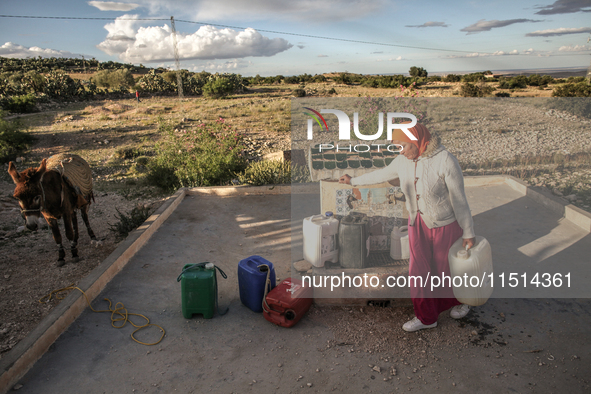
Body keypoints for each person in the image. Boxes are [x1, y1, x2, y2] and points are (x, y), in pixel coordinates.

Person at [338, 123, 476, 332]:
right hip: (417, 224)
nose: (400, 152)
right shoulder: (402, 161)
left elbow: (459, 200)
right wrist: (352, 181)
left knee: (446, 269)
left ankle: (461, 301)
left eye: (402, 146)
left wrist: (468, 231)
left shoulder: (445, 160)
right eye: (397, 148)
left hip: (445, 225)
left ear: (416, 142)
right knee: (418, 272)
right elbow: (381, 174)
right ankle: (427, 317)